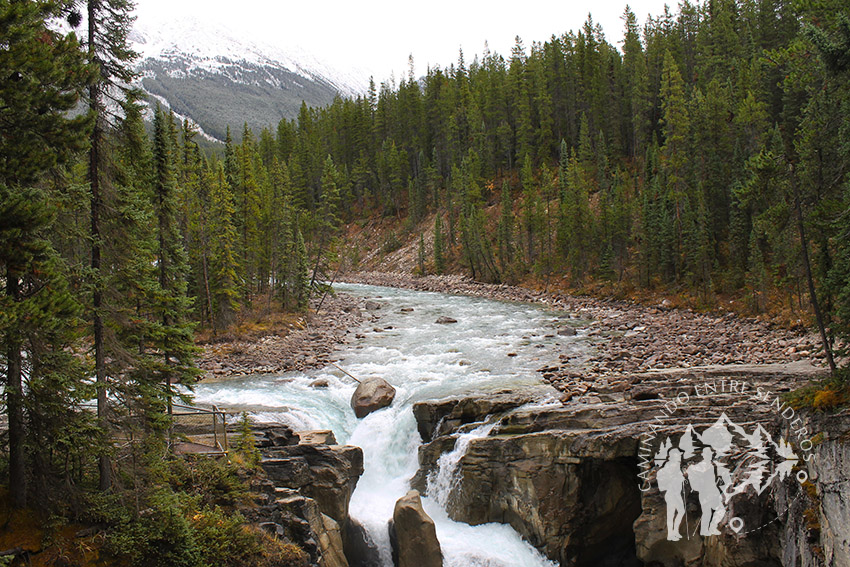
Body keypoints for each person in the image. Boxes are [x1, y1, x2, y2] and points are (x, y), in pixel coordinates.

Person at [686, 447, 724, 536]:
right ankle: (703, 531)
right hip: (704, 492)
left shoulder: (713, 465)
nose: (708, 456)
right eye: (707, 454)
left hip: (713, 490)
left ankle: (712, 528)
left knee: (718, 509)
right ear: (704, 455)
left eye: (710, 454)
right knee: (707, 512)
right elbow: (690, 471)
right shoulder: (700, 466)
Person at [656, 447, 686, 541]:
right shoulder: (671, 467)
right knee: (671, 513)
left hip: (676, 493)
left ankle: (675, 531)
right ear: (673, 456)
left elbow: (680, 478)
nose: (680, 457)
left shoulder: (675, 466)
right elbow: (673, 479)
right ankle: (670, 534)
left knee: (680, 511)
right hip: (672, 493)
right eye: (678, 455)